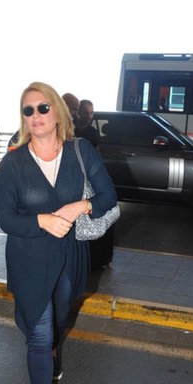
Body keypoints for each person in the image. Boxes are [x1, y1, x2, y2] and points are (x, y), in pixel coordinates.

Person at [0, 81, 117, 384]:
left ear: (57, 112)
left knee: (60, 318)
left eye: (42, 107)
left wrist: (81, 206)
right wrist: (42, 221)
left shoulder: (81, 152)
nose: (35, 115)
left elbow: (108, 196)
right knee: (39, 333)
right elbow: (5, 218)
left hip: (69, 256)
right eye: (28, 110)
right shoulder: (12, 163)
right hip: (28, 258)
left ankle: (53, 352)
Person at [75, 99, 115, 269]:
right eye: (86, 112)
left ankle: (102, 258)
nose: (89, 116)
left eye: (91, 113)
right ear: (78, 113)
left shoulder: (92, 133)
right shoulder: (71, 129)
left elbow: (97, 155)